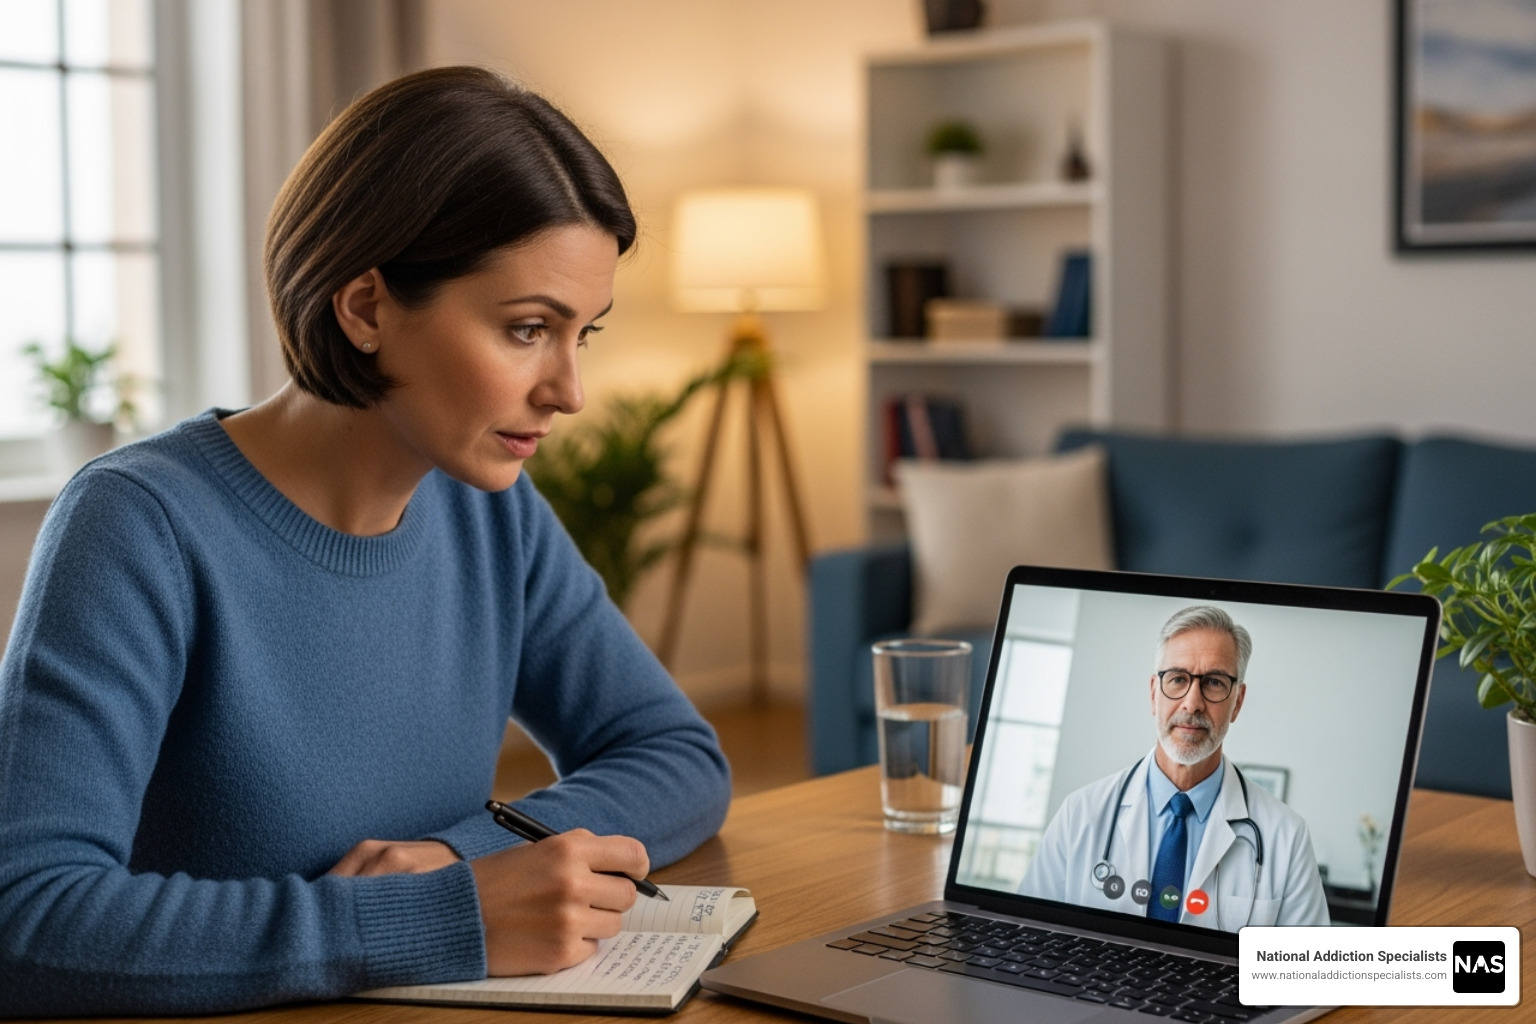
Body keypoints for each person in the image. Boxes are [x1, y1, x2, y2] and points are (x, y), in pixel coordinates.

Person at [0, 67, 731, 1017]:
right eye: (525, 330)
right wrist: (435, 918)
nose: (568, 390)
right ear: (367, 307)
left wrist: (470, 856)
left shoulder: (490, 510)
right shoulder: (140, 524)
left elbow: (676, 753)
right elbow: (29, 919)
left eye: (581, 334)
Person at [1019, 606, 1328, 930]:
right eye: (1178, 679)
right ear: (1154, 693)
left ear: (1237, 701)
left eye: (1214, 682)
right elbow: (1026, 940)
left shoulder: (1287, 837)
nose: (1192, 703)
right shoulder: (1079, 814)